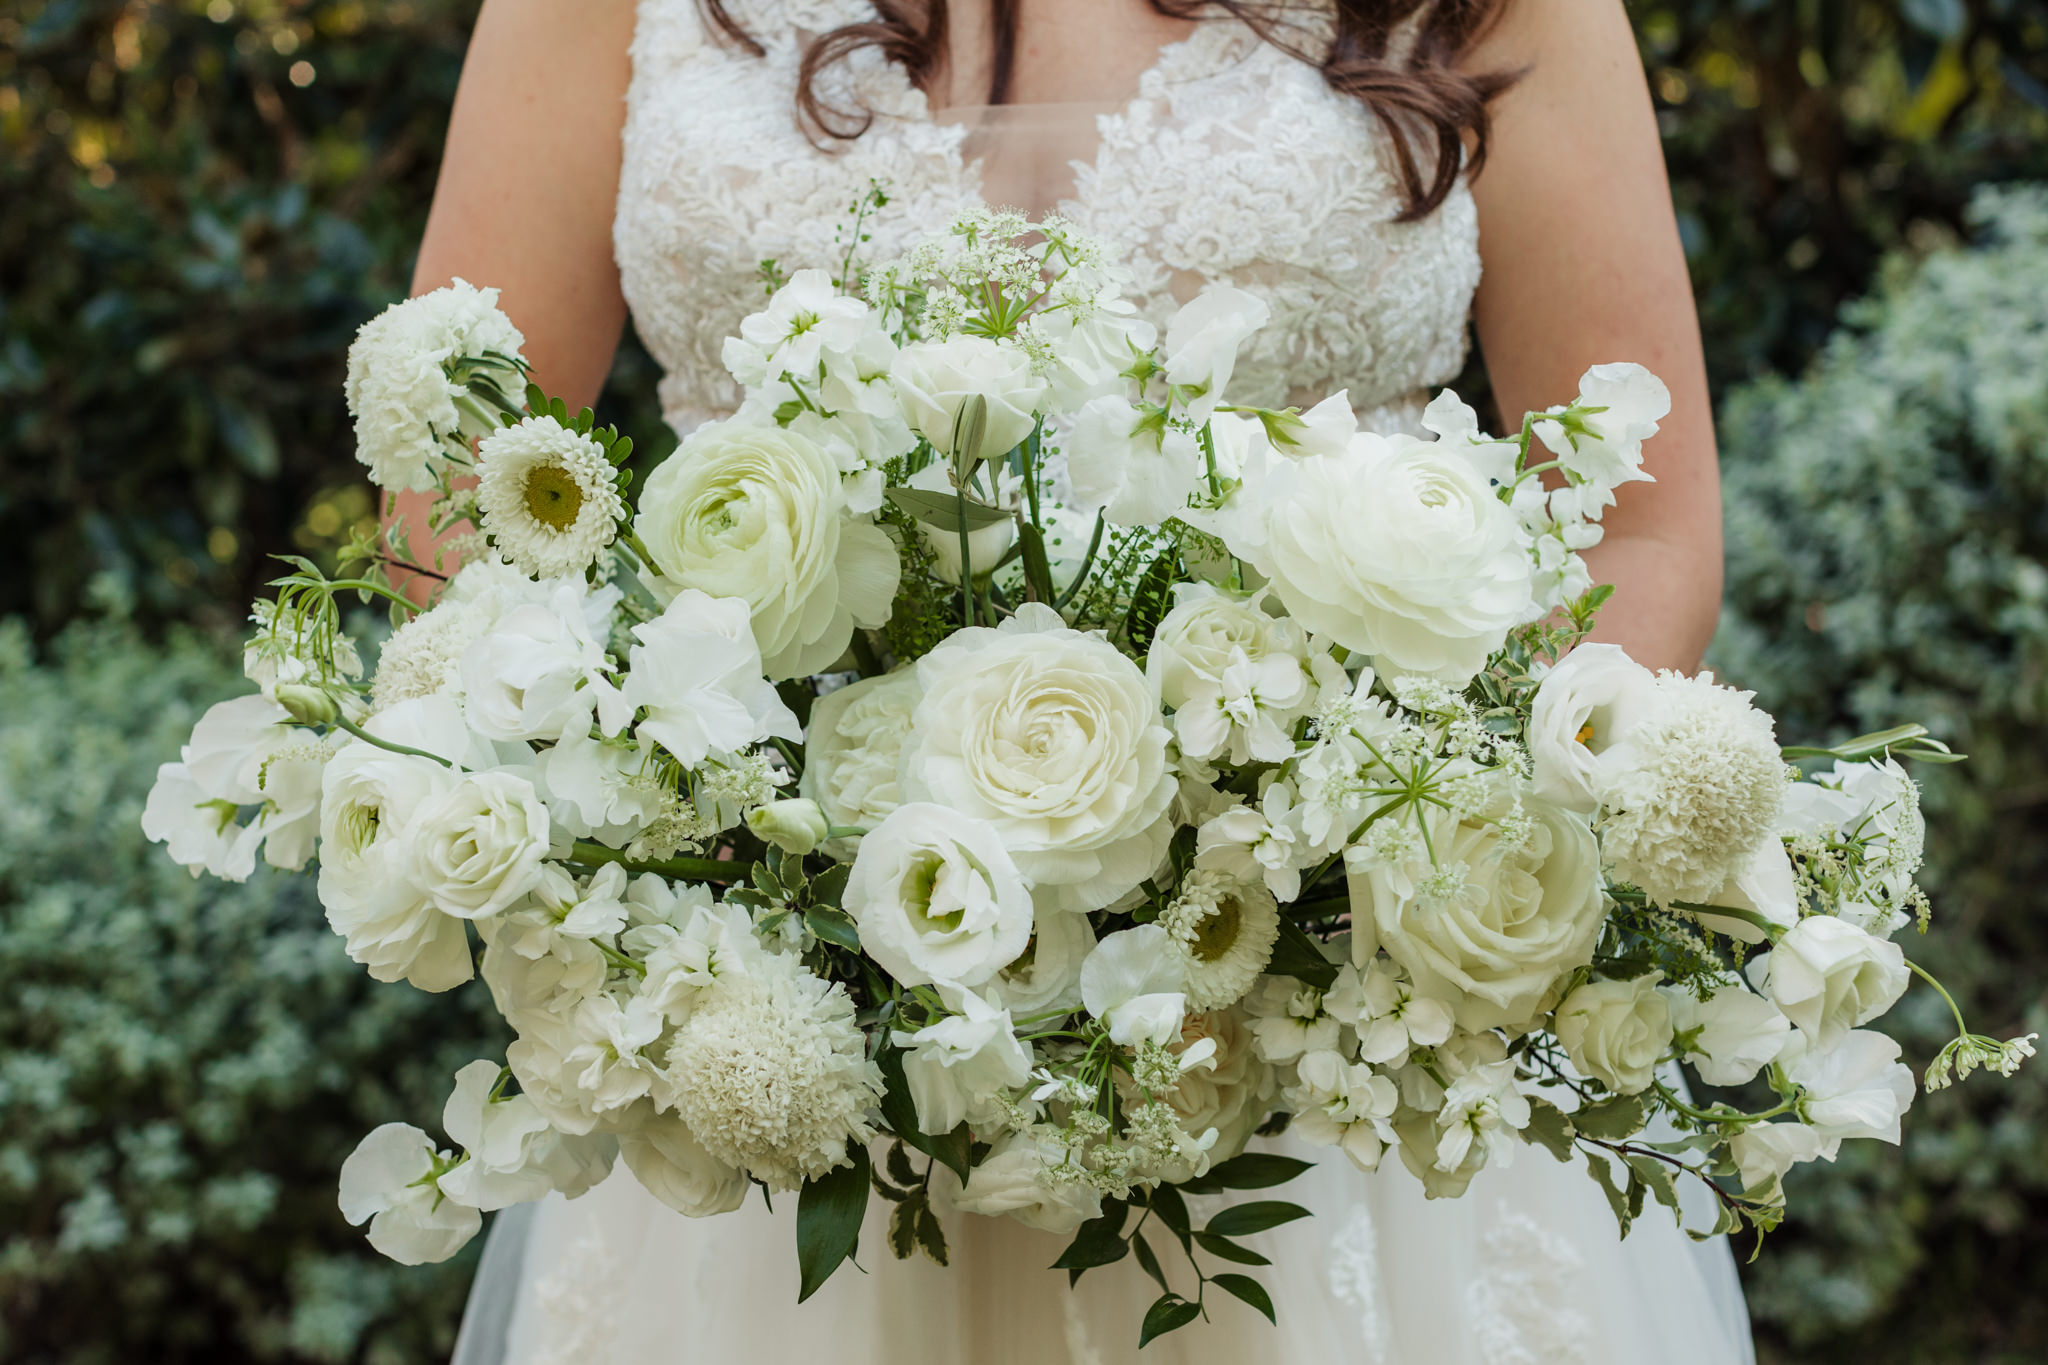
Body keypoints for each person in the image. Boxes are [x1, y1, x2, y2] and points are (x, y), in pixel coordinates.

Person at [420, 2, 1751, 1360]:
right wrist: (721, 866)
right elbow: (456, 482)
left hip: (1332, 1089)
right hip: (790, 1075)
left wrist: (1374, 882)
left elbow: (1640, 527)